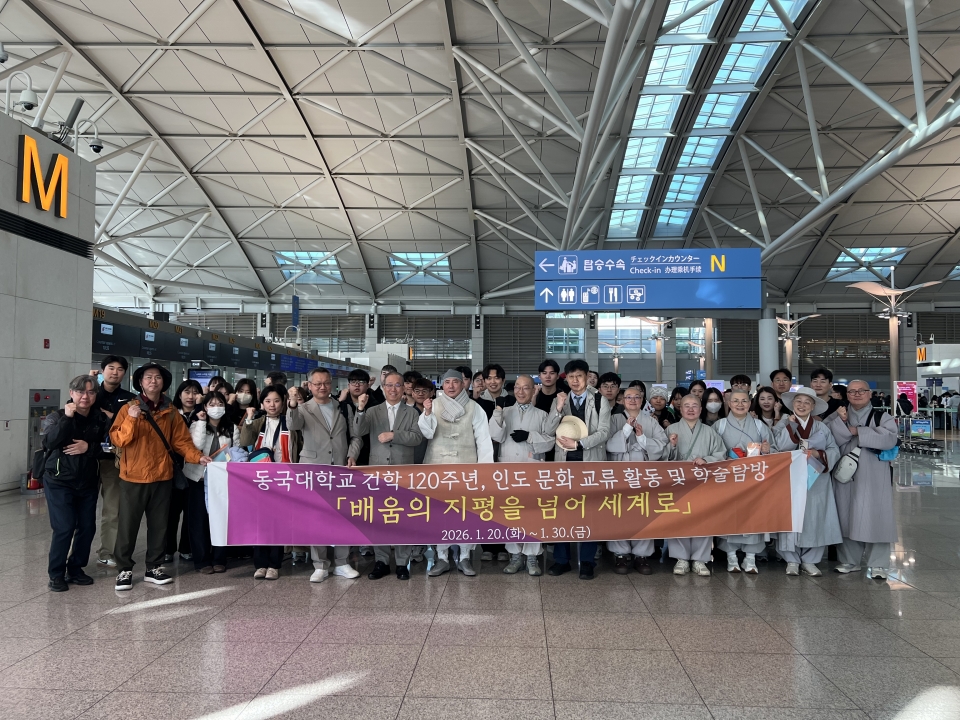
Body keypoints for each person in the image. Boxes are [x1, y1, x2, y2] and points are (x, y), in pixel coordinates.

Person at [110, 362, 212, 591]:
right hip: (133, 476)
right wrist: (132, 419)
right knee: (128, 525)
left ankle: (153, 567)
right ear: (140, 382)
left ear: (163, 383)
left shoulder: (170, 411)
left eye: (157, 377)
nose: (153, 381)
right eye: (148, 377)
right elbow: (119, 440)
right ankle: (124, 569)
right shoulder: (128, 408)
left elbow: (181, 442)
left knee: (160, 525)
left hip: (162, 475)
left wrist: (198, 457)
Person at [289, 368, 361, 583]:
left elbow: (356, 436)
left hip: (340, 467)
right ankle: (320, 564)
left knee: (343, 517)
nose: (322, 387)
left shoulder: (343, 406)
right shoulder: (303, 408)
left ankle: (342, 562)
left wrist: (352, 454)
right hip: (313, 468)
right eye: (317, 383)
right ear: (309, 385)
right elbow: (293, 425)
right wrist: (292, 403)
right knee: (316, 518)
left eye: (326, 383)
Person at [420, 369, 494, 577]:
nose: (451, 386)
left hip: (466, 467)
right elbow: (426, 432)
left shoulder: (474, 408)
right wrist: (426, 414)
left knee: (466, 514)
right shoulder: (433, 405)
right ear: (442, 385)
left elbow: (484, 440)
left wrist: (484, 471)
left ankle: (464, 556)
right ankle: (441, 557)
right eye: (447, 382)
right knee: (439, 514)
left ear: (463, 384)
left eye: (455, 382)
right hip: (437, 468)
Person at [488, 375, 562, 576]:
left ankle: (531, 557)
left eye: (526, 388)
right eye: (518, 388)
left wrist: (528, 436)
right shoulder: (504, 411)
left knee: (532, 514)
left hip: (533, 472)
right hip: (509, 470)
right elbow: (495, 436)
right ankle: (515, 556)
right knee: (510, 513)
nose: (521, 392)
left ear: (533, 390)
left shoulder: (541, 414)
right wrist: (497, 413)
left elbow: (549, 441)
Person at [826, 380, 900, 579]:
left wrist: (858, 431)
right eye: (852, 391)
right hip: (845, 472)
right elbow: (827, 436)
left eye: (861, 391)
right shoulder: (838, 414)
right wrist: (842, 424)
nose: (857, 394)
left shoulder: (882, 416)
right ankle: (850, 560)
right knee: (846, 513)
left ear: (869, 393)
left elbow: (890, 439)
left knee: (876, 514)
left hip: (874, 472)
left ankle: (878, 564)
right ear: (846, 395)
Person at [355, 373, 425, 580]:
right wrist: (360, 408)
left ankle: (403, 562)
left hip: (404, 471)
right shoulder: (373, 410)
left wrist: (394, 435)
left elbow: (417, 438)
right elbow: (358, 430)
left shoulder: (412, 412)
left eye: (397, 385)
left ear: (404, 388)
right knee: (380, 517)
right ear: (383, 388)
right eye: (389, 385)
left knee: (403, 518)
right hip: (378, 471)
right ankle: (381, 561)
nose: (393, 389)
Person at [43, 375, 108, 592]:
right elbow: (49, 442)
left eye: (90, 392)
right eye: (80, 392)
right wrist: (67, 419)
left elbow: (111, 448)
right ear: (71, 393)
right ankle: (56, 574)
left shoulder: (100, 419)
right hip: (59, 481)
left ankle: (76, 568)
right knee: (64, 527)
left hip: (87, 481)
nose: (85, 396)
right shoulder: (57, 417)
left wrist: (88, 448)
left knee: (87, 527)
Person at [550, 359, 610, 580]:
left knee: (589, 512)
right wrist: (557, 409)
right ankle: (561, 560)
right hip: (564, 464)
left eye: (579, 376)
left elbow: (604, 431)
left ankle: (587, 561)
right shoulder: (561, 399)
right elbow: (549, 429)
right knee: (562, 512)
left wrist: (580, 444)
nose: (575, 381)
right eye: (571, 377)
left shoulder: (600, 399)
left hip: (589, 462)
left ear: (587, 377)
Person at [775, 387, 842, 577]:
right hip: (789, 478)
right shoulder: (783, 423)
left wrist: (816, 453)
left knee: (816, 517)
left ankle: (811, 560)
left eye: (807, 402)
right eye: (798, 401)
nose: (802, 405)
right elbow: (776, 447)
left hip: (816, 478)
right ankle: (791, 560)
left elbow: (834, 450)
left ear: (813, 406)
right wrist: (791, 428)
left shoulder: (821, 427)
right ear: (792, 404)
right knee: (790, 516)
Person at [605, 385, 668, 575]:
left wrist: (642, 439)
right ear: (622, 400)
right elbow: (607, 444)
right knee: (619, 511)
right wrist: (625, 430)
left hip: (643, 475)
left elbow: (663, 446)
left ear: (643, 400)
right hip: (619, 473)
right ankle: (620, 554)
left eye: (637, 397)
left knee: (643, 511)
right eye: (629, 397)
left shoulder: (651, 421)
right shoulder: (614, 419)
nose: (633, 400)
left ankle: (642, 555)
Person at [240, 385, 301, 579]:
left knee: (278, 521)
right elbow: (244, 440)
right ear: (262, 403)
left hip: (284, 477)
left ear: (282, 402)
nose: (272, 405)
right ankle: (260, 564)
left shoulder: (289, 422)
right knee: (260, 522)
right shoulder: (258, 422)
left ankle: (274, 564)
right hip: (260, 478)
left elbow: (298, 445)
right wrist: (248, 419)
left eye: (276, 401)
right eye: (268, 401)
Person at [714, 389, 776, 573]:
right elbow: (713, 450)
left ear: (750, 404)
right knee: (729, 516)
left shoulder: (759, 426)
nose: (740, 404)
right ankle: (731, 557)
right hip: (728, 480)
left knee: (752, 516)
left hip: (753, 482)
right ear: (729, 403)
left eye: (744, 401)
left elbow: (773, 450)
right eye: (735, 401)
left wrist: (766, 450)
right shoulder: (720, 425)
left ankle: (750, 559)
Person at [665, 394, 726, 576]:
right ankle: (681, 558)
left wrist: (706, 459)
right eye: (686, 405)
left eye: (694, 405)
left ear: (701, 409)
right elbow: (661, 457)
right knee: (678, 518)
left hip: (703, 483)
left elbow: (721, 453)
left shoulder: (709, 431)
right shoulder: (671, 430)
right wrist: (672, 446)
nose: (690, 409)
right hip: (678, 483)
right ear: (680, 408)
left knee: (703, 518)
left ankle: (700, 559)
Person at [185, 391, 239, 574]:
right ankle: (201, 560)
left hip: (222, 481)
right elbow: (197, 446)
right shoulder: (196, 425)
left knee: (221, 519)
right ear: (205, 407)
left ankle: (219, 558)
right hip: (198, 478)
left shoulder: (232, 427)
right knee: (198, 520)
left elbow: (236, 452)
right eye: (211, 404)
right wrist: (200, 422)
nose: (216, 408)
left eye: (220, 404)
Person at [93, 355, 135, 569]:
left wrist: (111, 415)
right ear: (102, 370)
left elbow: (129, 425)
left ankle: (106, 551)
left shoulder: (129, 399)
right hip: (87, 459)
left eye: (120, 369)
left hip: (113, 460)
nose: (115, 372)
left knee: (112, 509)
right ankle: (72, 554)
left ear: (124, 373)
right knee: (80, 511)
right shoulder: (90, 392)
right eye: (110, 368)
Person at [166, 379, 203, 563]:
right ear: (179, 394)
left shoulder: (202, 414)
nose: (191, 396)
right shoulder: (170, 413)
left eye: (195, 392)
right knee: (170, 512)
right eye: (187, 392)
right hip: (173, 469)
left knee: (190, 513)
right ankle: (167, 549)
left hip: (195, 470)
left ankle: (186, 548)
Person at [339, 369, 381, 466]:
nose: (357, 385)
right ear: (348, 385)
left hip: (369, 453)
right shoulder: (340, 404)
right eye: (353, 382)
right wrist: (340, 402)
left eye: (361, 382)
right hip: (344, 454)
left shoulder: (376, 405)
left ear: (368, 385)